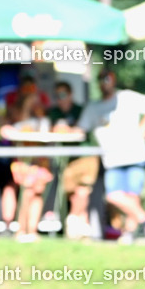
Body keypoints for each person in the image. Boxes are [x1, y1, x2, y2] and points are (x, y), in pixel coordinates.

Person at [72, 69, 145, 244]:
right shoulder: (94, 107)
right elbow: (79, 129)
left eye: (108, 78)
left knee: (132, 197)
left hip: (134, 155)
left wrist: (143, 129)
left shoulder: (126, 97)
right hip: (112, 159)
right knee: (114, 197)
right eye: (102, 79)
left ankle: (129, 234)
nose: (105, 82)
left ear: (114, 80)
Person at [1, 72, 53, 242]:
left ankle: (33, 230)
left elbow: (46, 126)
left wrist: (36, 106)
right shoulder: (15, 107)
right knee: (27, 191)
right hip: (24, 158)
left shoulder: (41, 106)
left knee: (38, 191)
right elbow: (16, 124)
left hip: (40, 157)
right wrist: (26, 104)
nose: (30, 91)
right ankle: (21, 229)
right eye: (27, 88)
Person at [49, 81, 96, 239]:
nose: (60, 99)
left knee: (82, 192)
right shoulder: (54, 113)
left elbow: (81, 130)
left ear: (70, 95)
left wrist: (68, 130)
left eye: (62, 95)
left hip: (84, 155)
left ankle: (73, 220)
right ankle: (81, 230)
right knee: (73, 195)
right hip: (66, 159)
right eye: (57, 96)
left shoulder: (81, 110)